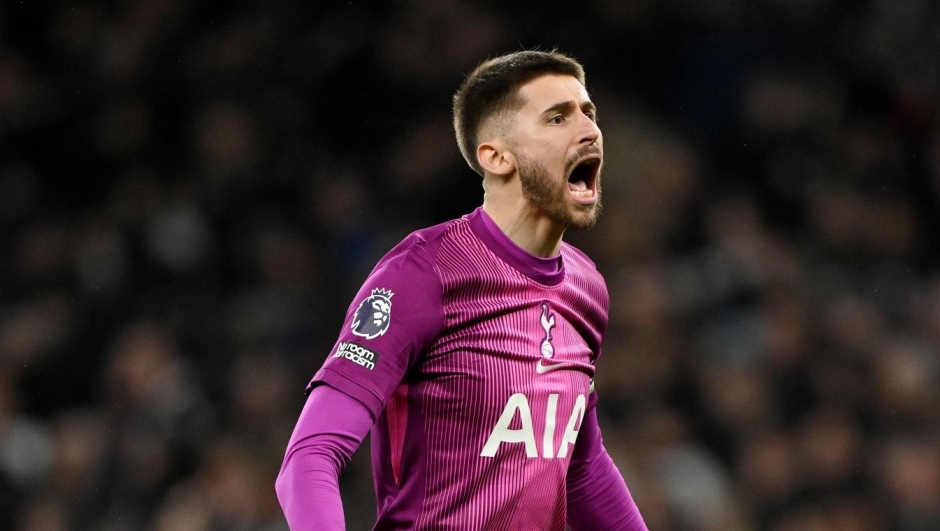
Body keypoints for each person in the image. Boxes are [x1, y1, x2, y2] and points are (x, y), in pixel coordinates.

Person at [275, 50, 648, 531]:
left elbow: (582, 468)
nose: (588, 129)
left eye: (587, 113)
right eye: (557, 118)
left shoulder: (587, 288)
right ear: (496, 156)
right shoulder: (424, 272)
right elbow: (309, 458)